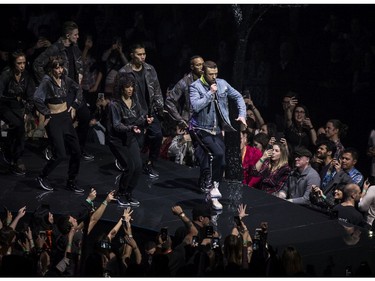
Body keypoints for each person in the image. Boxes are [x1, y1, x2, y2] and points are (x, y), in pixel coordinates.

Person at [33, 20, 94, 161]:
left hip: (75, 90)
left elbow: (79, 64)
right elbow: (37, 64)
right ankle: (52, 148)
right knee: (61, 121)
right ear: (67, 35)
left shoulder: (75, 48)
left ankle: (80, 148)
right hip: (62, 92)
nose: (78, 37)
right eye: (75, 34)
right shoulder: (55, 48)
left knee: (85, 116)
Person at [189, 60, 246, 210]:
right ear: (203, 73)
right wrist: (210, 93)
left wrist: (242, 115)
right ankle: (212, 188)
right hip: (201, 129)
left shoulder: (222, 83)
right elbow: (195, 106)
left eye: (216, 74)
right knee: (218, 154)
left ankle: (212, 190)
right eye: (210, 74)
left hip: (217, 130)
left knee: (222, 162)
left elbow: (239, 97)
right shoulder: (195, 86)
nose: (214, 77)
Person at [33, 55, 83, 193]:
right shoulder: (47, 81)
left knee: (77, 152)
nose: (60, 70)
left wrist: (74, 105)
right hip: (54, 120)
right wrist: (46, 113)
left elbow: (78, 89)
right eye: (57, 67)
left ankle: (71, 181)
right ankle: (42, 176)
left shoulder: (65, 79)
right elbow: (37, 98)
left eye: (61, 67)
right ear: (51, 69)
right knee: (60, 154)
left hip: (65, 118)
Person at [117, 42, 164, 179]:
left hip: (150, 110)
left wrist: (160, 107)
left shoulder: (150, 69)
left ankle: (149, 164)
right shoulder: (124, 72)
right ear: (132, 55)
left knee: (157, 136)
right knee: (137, 141)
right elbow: (119, 95)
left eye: (144, 54)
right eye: (139, 54)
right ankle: (127, 163)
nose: (142, 57)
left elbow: (156, 88)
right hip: (134, 113)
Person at [107, 74, 146, 207]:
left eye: (132, 87)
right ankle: (120, 194)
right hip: (117, 140)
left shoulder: (135, 101)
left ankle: (128, 193)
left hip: (130, 138)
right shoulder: (115, 104)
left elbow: (141, 116)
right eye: (127, 87)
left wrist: (146, 121)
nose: (130, 89)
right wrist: (131, 127)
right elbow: (117, 125)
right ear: (121, 88)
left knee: (139, 166)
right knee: (129, 166)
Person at [0, 50, 35, 175]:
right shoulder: (6, 74)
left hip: (17, 106)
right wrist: (15, 98)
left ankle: (11, 152)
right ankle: (15, 157)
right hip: (4, 105)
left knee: (20, 129)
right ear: (13, 63)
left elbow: (31, 96)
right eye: (19, 63)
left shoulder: (26, 75)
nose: (22, 66)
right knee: (18, 125)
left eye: (24, 63)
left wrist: (27, 111)